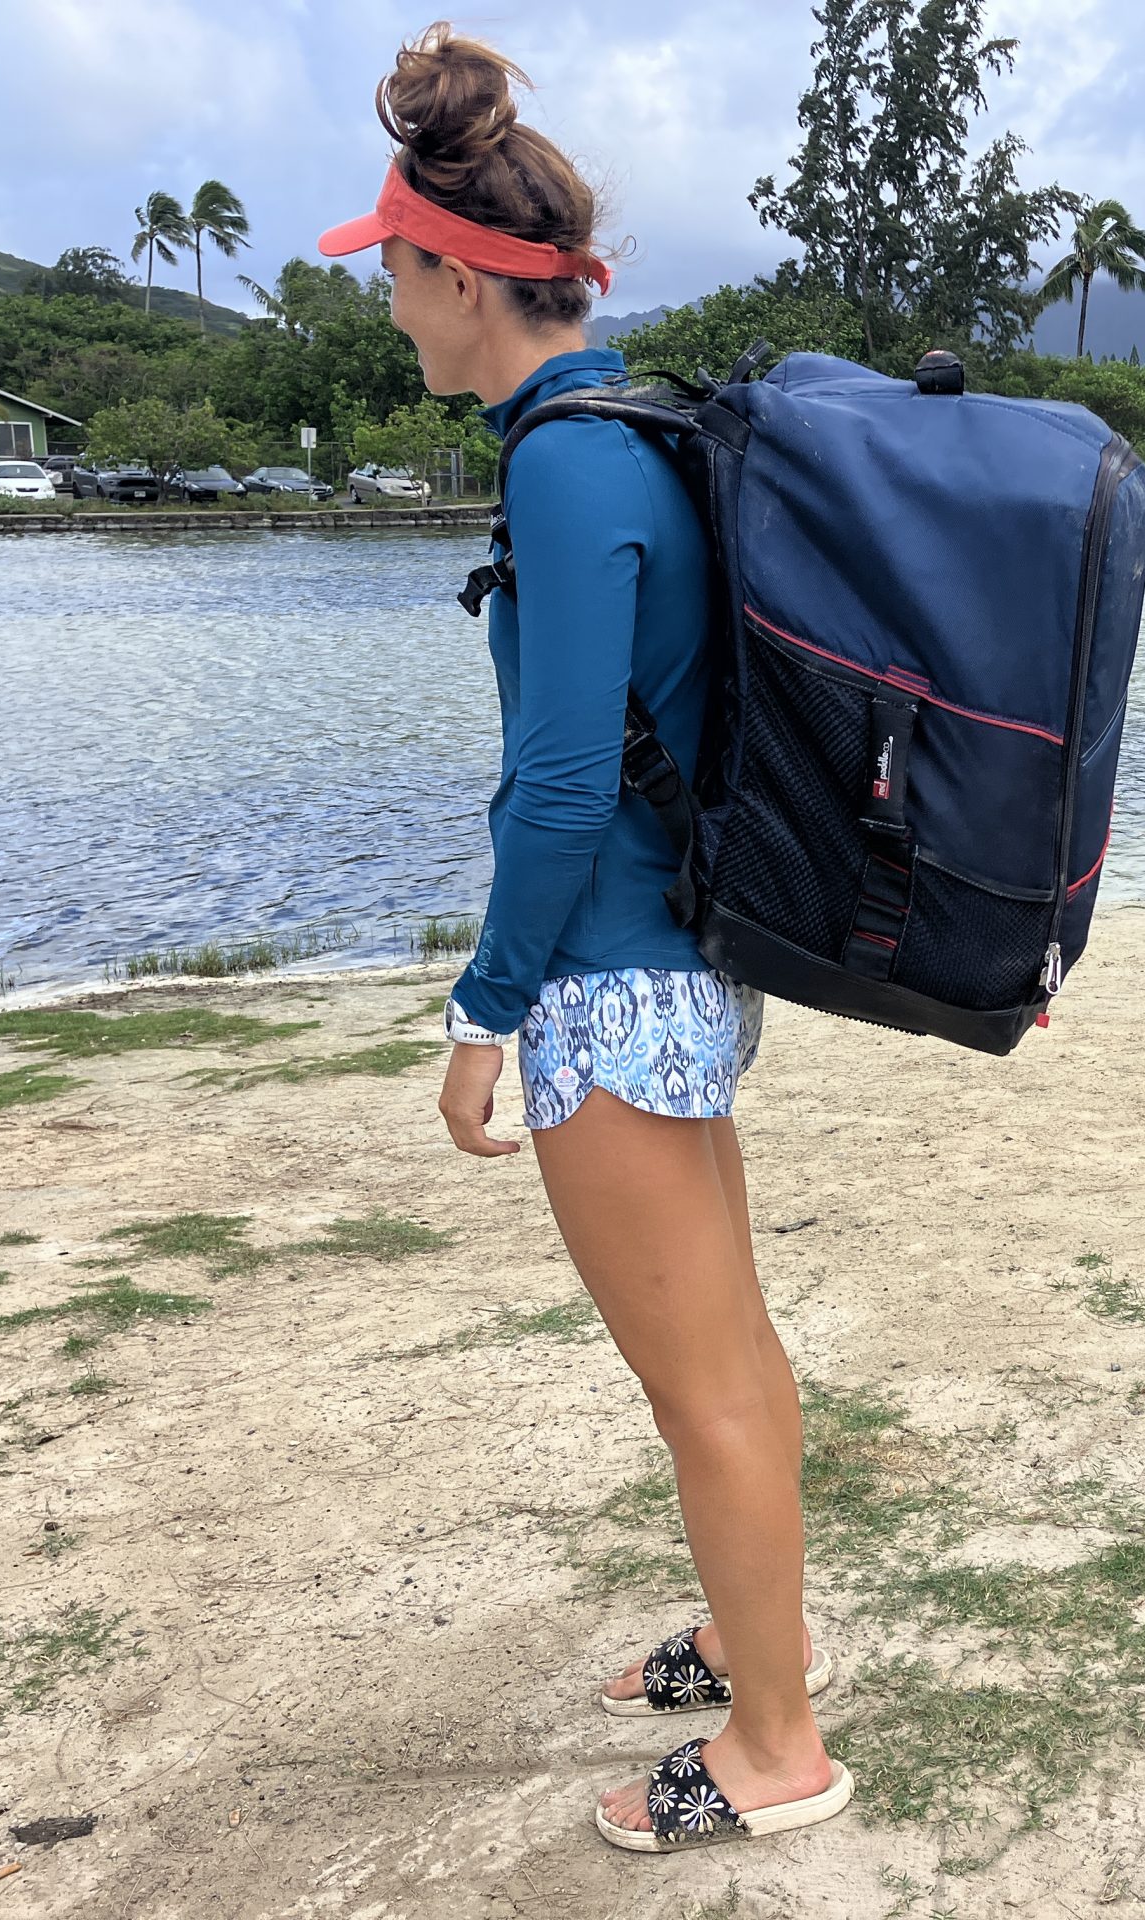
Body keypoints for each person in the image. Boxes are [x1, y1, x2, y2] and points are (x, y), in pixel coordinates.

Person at [317, 23, 849, 1854]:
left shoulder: (562, 460)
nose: (388, 309)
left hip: (613, 993)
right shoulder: (640, 419)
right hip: (686, 970)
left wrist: (482, 1010)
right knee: (730, 1351)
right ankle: (740, 1635)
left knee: (698, 1377)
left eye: (393, 275)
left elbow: (557, 789)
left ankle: (778, 1751)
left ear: (460, 278)